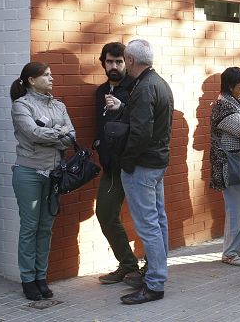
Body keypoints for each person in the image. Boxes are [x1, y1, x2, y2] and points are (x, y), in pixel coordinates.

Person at [105, 39, 174, 305]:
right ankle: (157, 273)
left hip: (143, 165)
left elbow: (141, 132)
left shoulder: (145, 87)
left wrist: (126, 161)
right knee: (158, 220)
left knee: (149, 226)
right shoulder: (157, 83)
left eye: (124, 60)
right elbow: (149, 124)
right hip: (155, 163)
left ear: (131, 61)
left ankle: (155, 282)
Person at [10, 62, 75, 301]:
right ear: (31, 80)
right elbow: (32, 133)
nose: (51, 78)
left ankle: (41, 277)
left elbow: (72, 137)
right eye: (46, 75)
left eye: (51, 74)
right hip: (28, 173)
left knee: (46, 227)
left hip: (55, 173)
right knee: (30, 227)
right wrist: (59, 133)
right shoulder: (21, 105)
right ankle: (28, 279)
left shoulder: (59, 105)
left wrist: (53, 133)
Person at [93, 42, 143, 287]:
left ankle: (148, 269)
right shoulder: (100, 91)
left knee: (146, 216)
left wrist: (122, 107)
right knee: (105, 213)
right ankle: (128, 264)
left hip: (134, 165)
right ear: (103, 62)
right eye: (110, 61)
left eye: (119, 61)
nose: (114, 66)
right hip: (111, 168)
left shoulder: (136, 89)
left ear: (128, 62)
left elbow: (143, 124)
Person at [209, 67, 240, 268]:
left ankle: (236, 249)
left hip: (239, 163)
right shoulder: (223, 107)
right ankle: (229, 252)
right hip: (230, 164)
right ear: (230, 86)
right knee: (237, 208)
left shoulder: (237, 103)